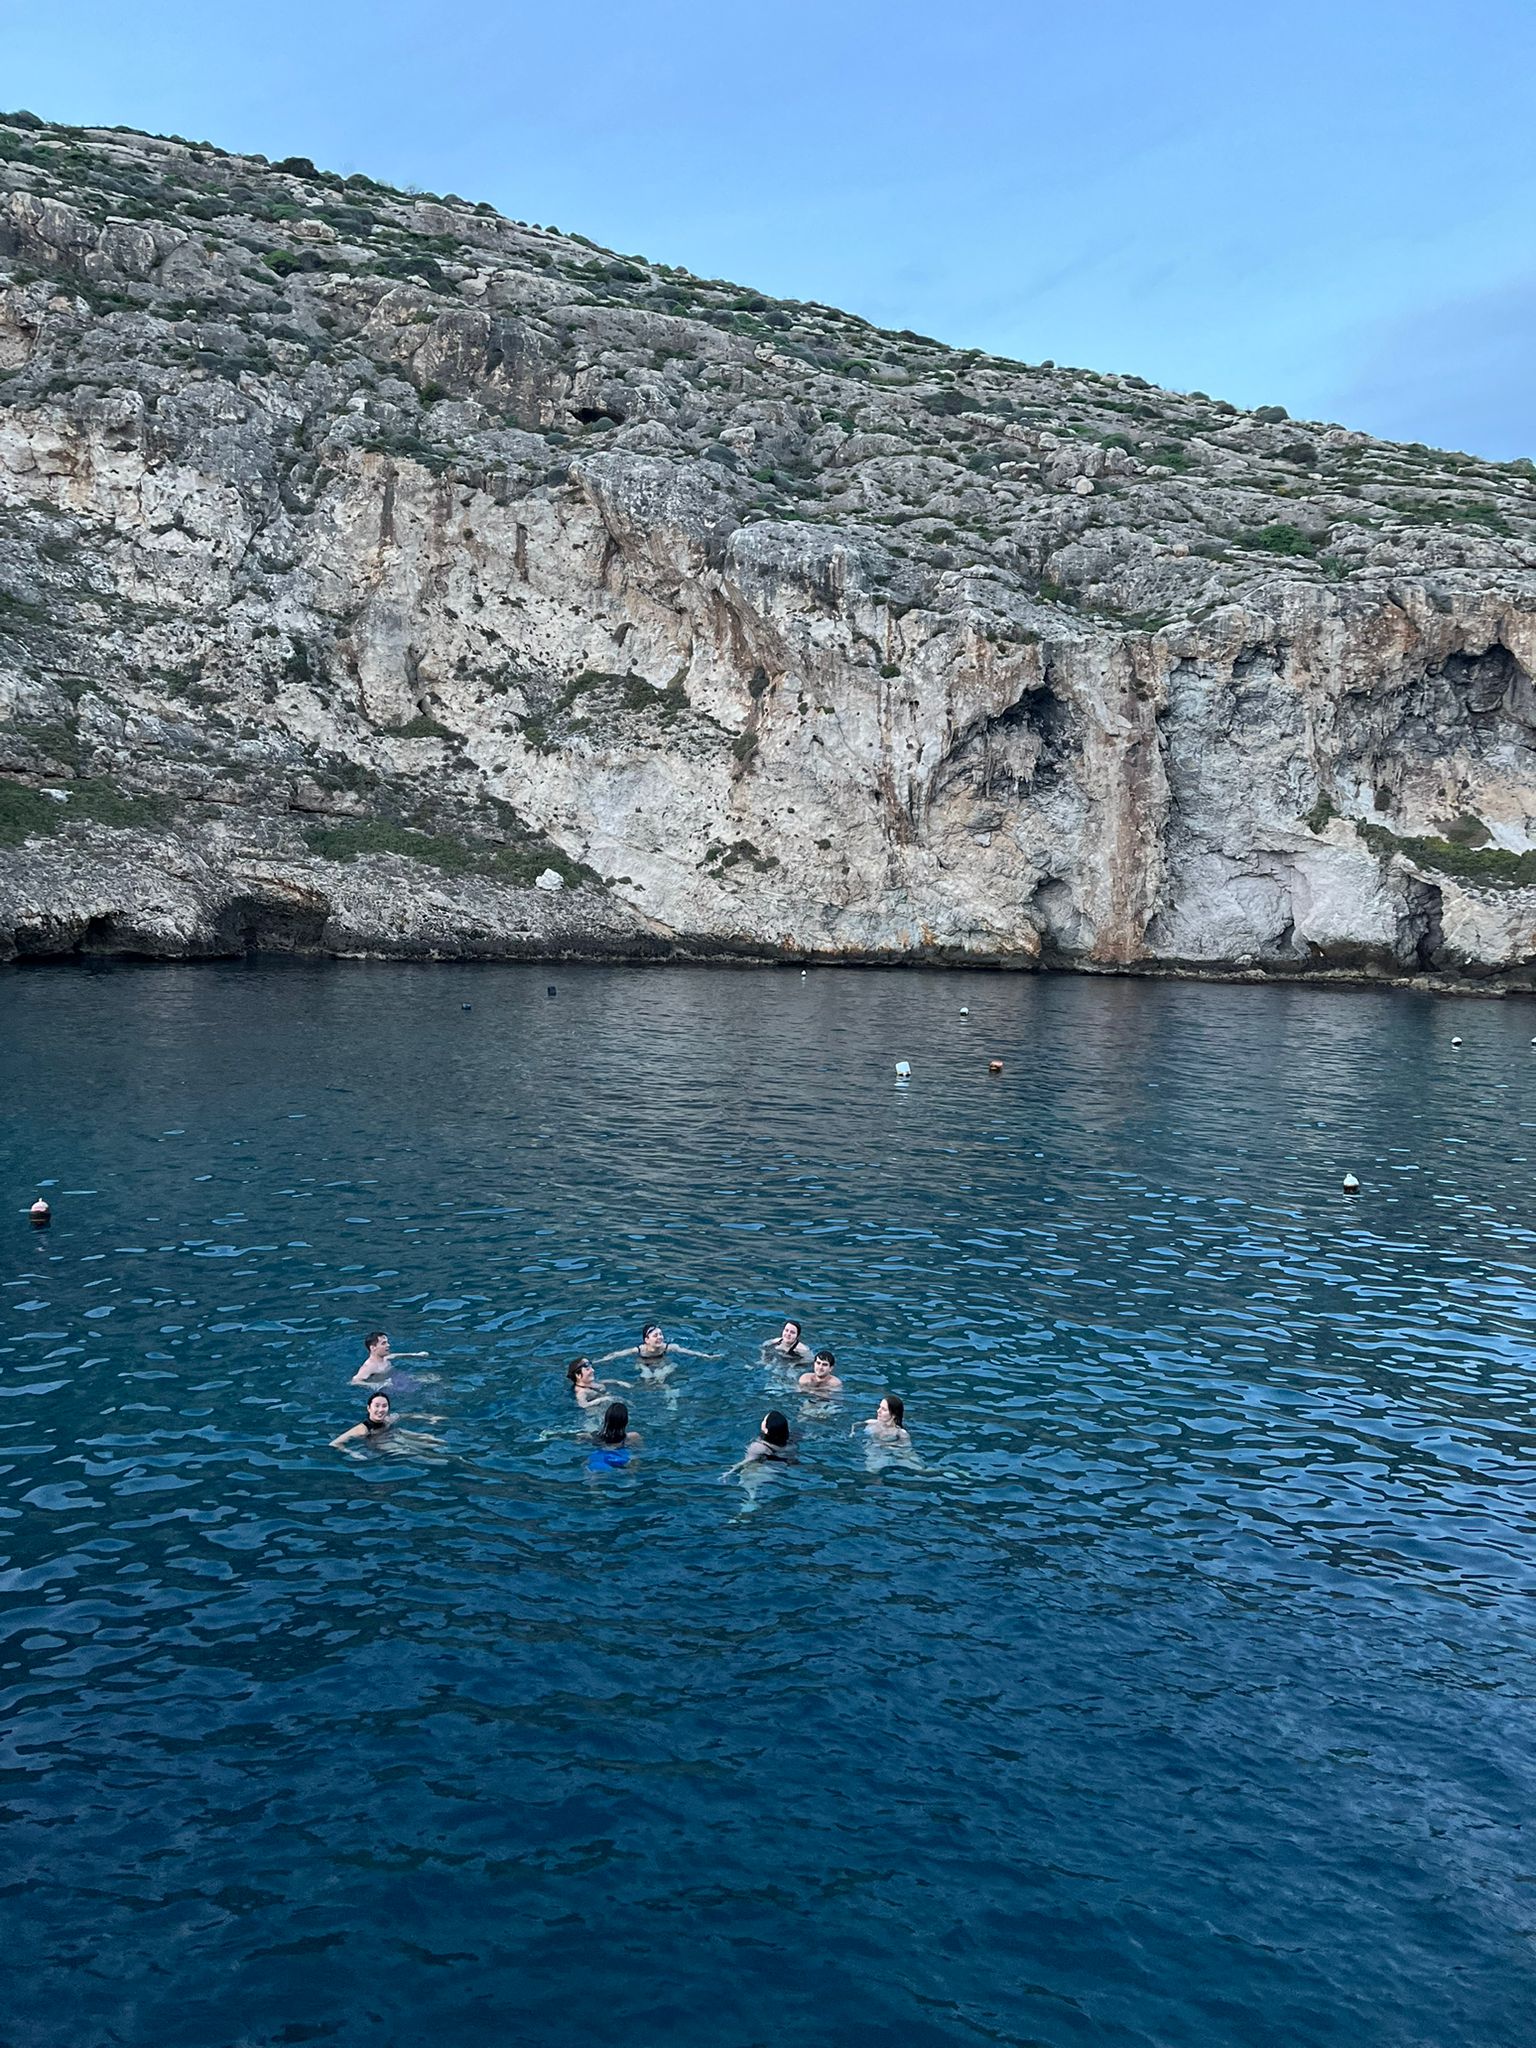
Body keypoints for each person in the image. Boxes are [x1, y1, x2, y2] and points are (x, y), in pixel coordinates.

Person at [597, 1322, 717, 1383]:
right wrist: (601, 1360)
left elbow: (689, 1352)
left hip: (661, 1361)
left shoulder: (669, 1347)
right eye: (655, 1335)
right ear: (646, 1340)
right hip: (644, 1363)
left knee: (661, 1376)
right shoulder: (640, 1349)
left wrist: (706, 1356)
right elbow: (617, 1354)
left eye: (660, 1334)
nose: (660, 1337)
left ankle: (665, 1392)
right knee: (647, 1377)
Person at [721, 1409, 797, 1479]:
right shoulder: (791, 1439)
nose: (762, 1421)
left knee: (747, 1475)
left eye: (764, 1420)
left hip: (767, 1467)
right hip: (783, 1466)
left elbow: (747, 1461)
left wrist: (729, 1471)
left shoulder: (758, 1446)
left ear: (766, 1430)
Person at [351, 1331, 427, 1386]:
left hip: (395, 1378)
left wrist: (416, 1355)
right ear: (373, 1348)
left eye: (387, 1342)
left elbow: (397, 1355)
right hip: (387, 1386)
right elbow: (354, 1381)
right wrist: (376, 1385)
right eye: (383, 1343)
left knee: (432, 1378)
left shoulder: (386, 1357)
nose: (388, 1345)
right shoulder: (369, 1367)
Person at [586, 1400, 641, 1470]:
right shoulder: (633, 1437)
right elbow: (638, 1453)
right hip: (620, 1458)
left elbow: (579, 1438)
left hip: (599, 1458)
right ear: (625, 1420)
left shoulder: (594, 1436)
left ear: (606, 1419)